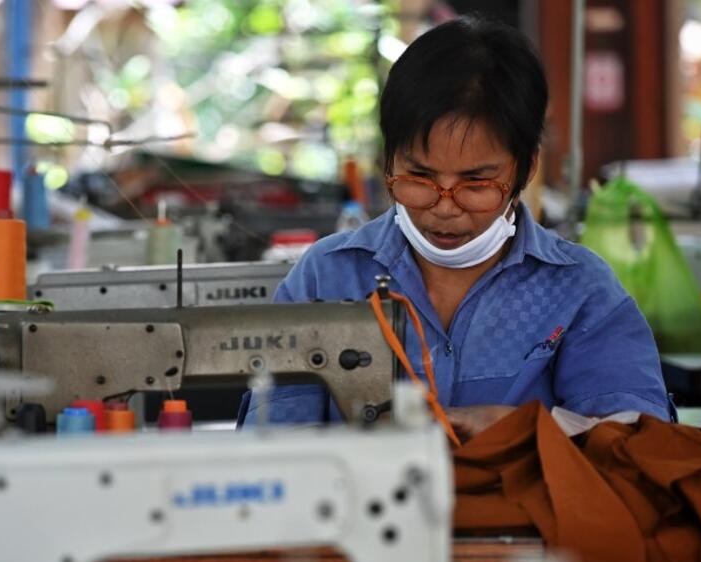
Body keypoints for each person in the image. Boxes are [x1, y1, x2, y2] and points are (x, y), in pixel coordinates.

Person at [238, 16, 671, 439]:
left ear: (526, 169)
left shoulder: (579, 292)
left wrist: (525, 431)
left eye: (476, 183)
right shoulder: (327, 278)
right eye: (420, 178)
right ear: (388, 160)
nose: (445, 208)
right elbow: (273, 449)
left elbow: (639, 443)